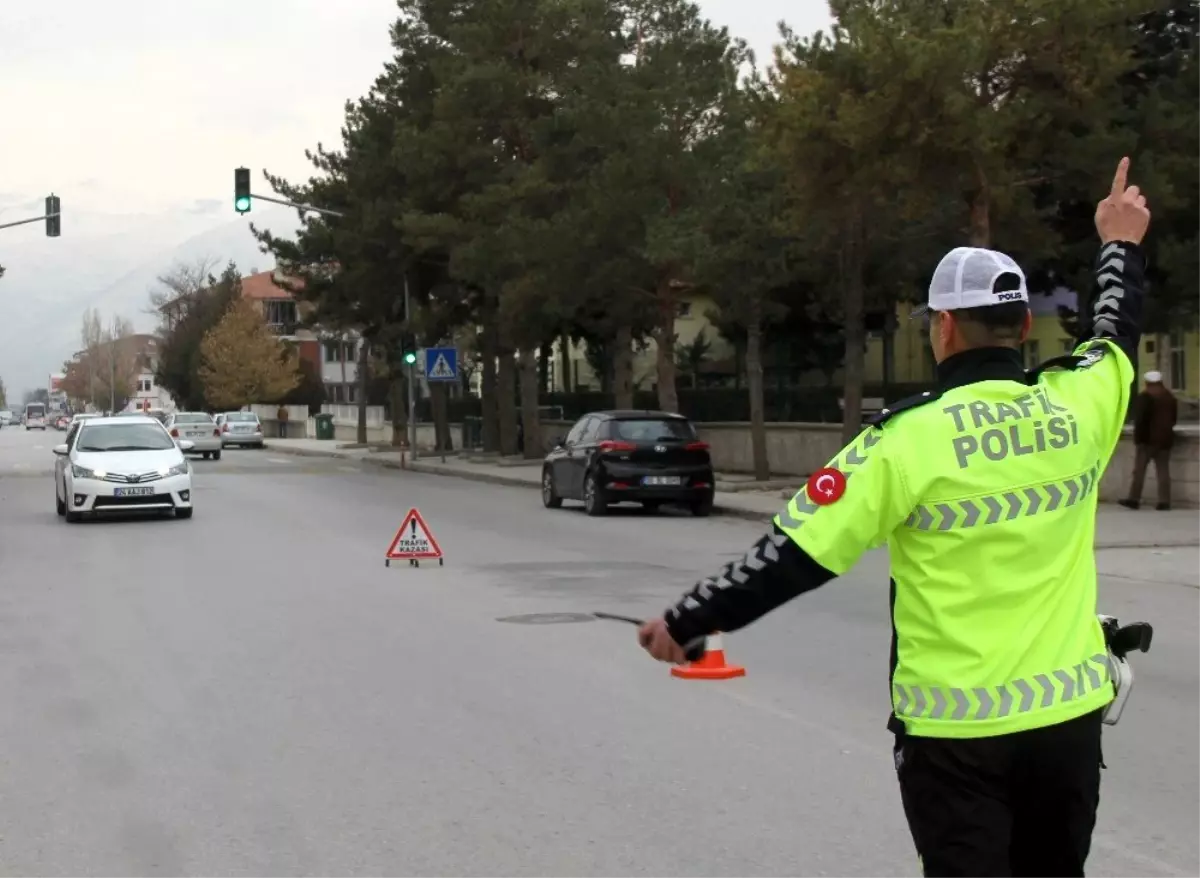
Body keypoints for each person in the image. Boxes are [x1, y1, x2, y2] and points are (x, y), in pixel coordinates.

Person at [638, 157, 1151, 878]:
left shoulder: (903, 442)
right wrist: (1119, 241)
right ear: (1022, 327)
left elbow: (792, 554)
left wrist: (689, 619)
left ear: (943, 327)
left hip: (955, 738)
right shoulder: (1080, 405)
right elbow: (1115, 328)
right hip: (1067, 725)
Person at [1119, 370, 1177, 511]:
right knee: (1163, 471)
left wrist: (1139, 440)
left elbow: (1141, 421)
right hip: (1165, 440)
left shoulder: (1145, 397)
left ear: (1147, 383)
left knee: (1139, 471)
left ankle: (1134, 499)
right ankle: (1164, 501)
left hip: (1147, 441)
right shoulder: (1169, 397)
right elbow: (1173, 419)